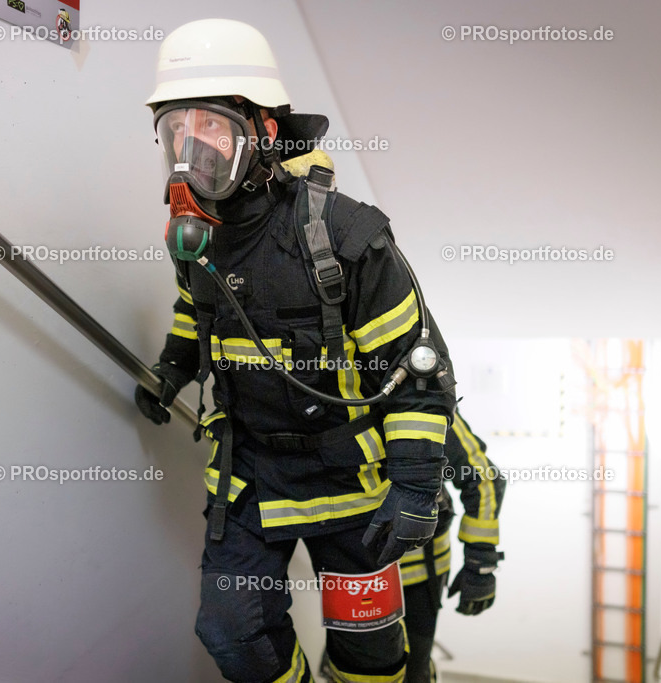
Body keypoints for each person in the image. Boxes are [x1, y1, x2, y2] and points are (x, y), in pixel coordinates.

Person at [135, 19, 457, 683]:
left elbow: (418, 370)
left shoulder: (344, 237)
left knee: (369, 655)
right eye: (175, 129)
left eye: (212, 125)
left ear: (265, 132)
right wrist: (174, 365)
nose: (191, 147)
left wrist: (417, 482)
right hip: (249, 477)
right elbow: (199, 312)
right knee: (232, 632)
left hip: (351, 483)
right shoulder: (192, 238)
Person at [397, 411, 505, 683]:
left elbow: (483, 478)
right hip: (349, 576)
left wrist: (480, 563)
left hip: (419, 574)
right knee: (360, 670)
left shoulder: (423, 398)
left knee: (414, 670)